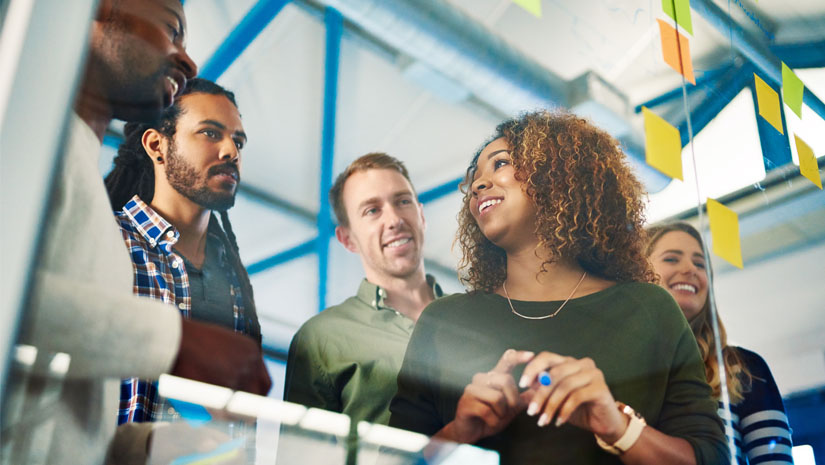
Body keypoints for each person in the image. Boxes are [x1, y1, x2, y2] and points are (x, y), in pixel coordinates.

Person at [0, 2, 270, 464]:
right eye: (172, 29)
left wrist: (149, 446)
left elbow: (55, 414)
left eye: (238, 141)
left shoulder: (90, 203)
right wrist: (174, 341)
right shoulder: (16, 134)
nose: (188, 60)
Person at [389, 110, 728, 464]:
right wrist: (458, 433)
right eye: (474, 178)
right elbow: (386, 458)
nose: (477, 185)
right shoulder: (443, 321)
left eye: (500, 163)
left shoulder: (648, 309)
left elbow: (712, 458)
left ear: (557, 176)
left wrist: (618, 427)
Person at [104, 78, 262, 424]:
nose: (231, 152)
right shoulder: (107, 241)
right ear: (157, 145)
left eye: (238, 141)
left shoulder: (235, 281)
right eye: (210, 133)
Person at [284, 153, 443, 425]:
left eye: (403, 201)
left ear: (421, 215)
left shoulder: (477, 318)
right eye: (372, 210)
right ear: (347, 239)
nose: (394, 219)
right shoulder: (320, 339)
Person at [646, 222, 794, 464]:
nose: (690, 269)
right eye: (672, 259)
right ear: (639, 272)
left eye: (700, 264)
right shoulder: (623, 367)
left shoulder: (745, 367)